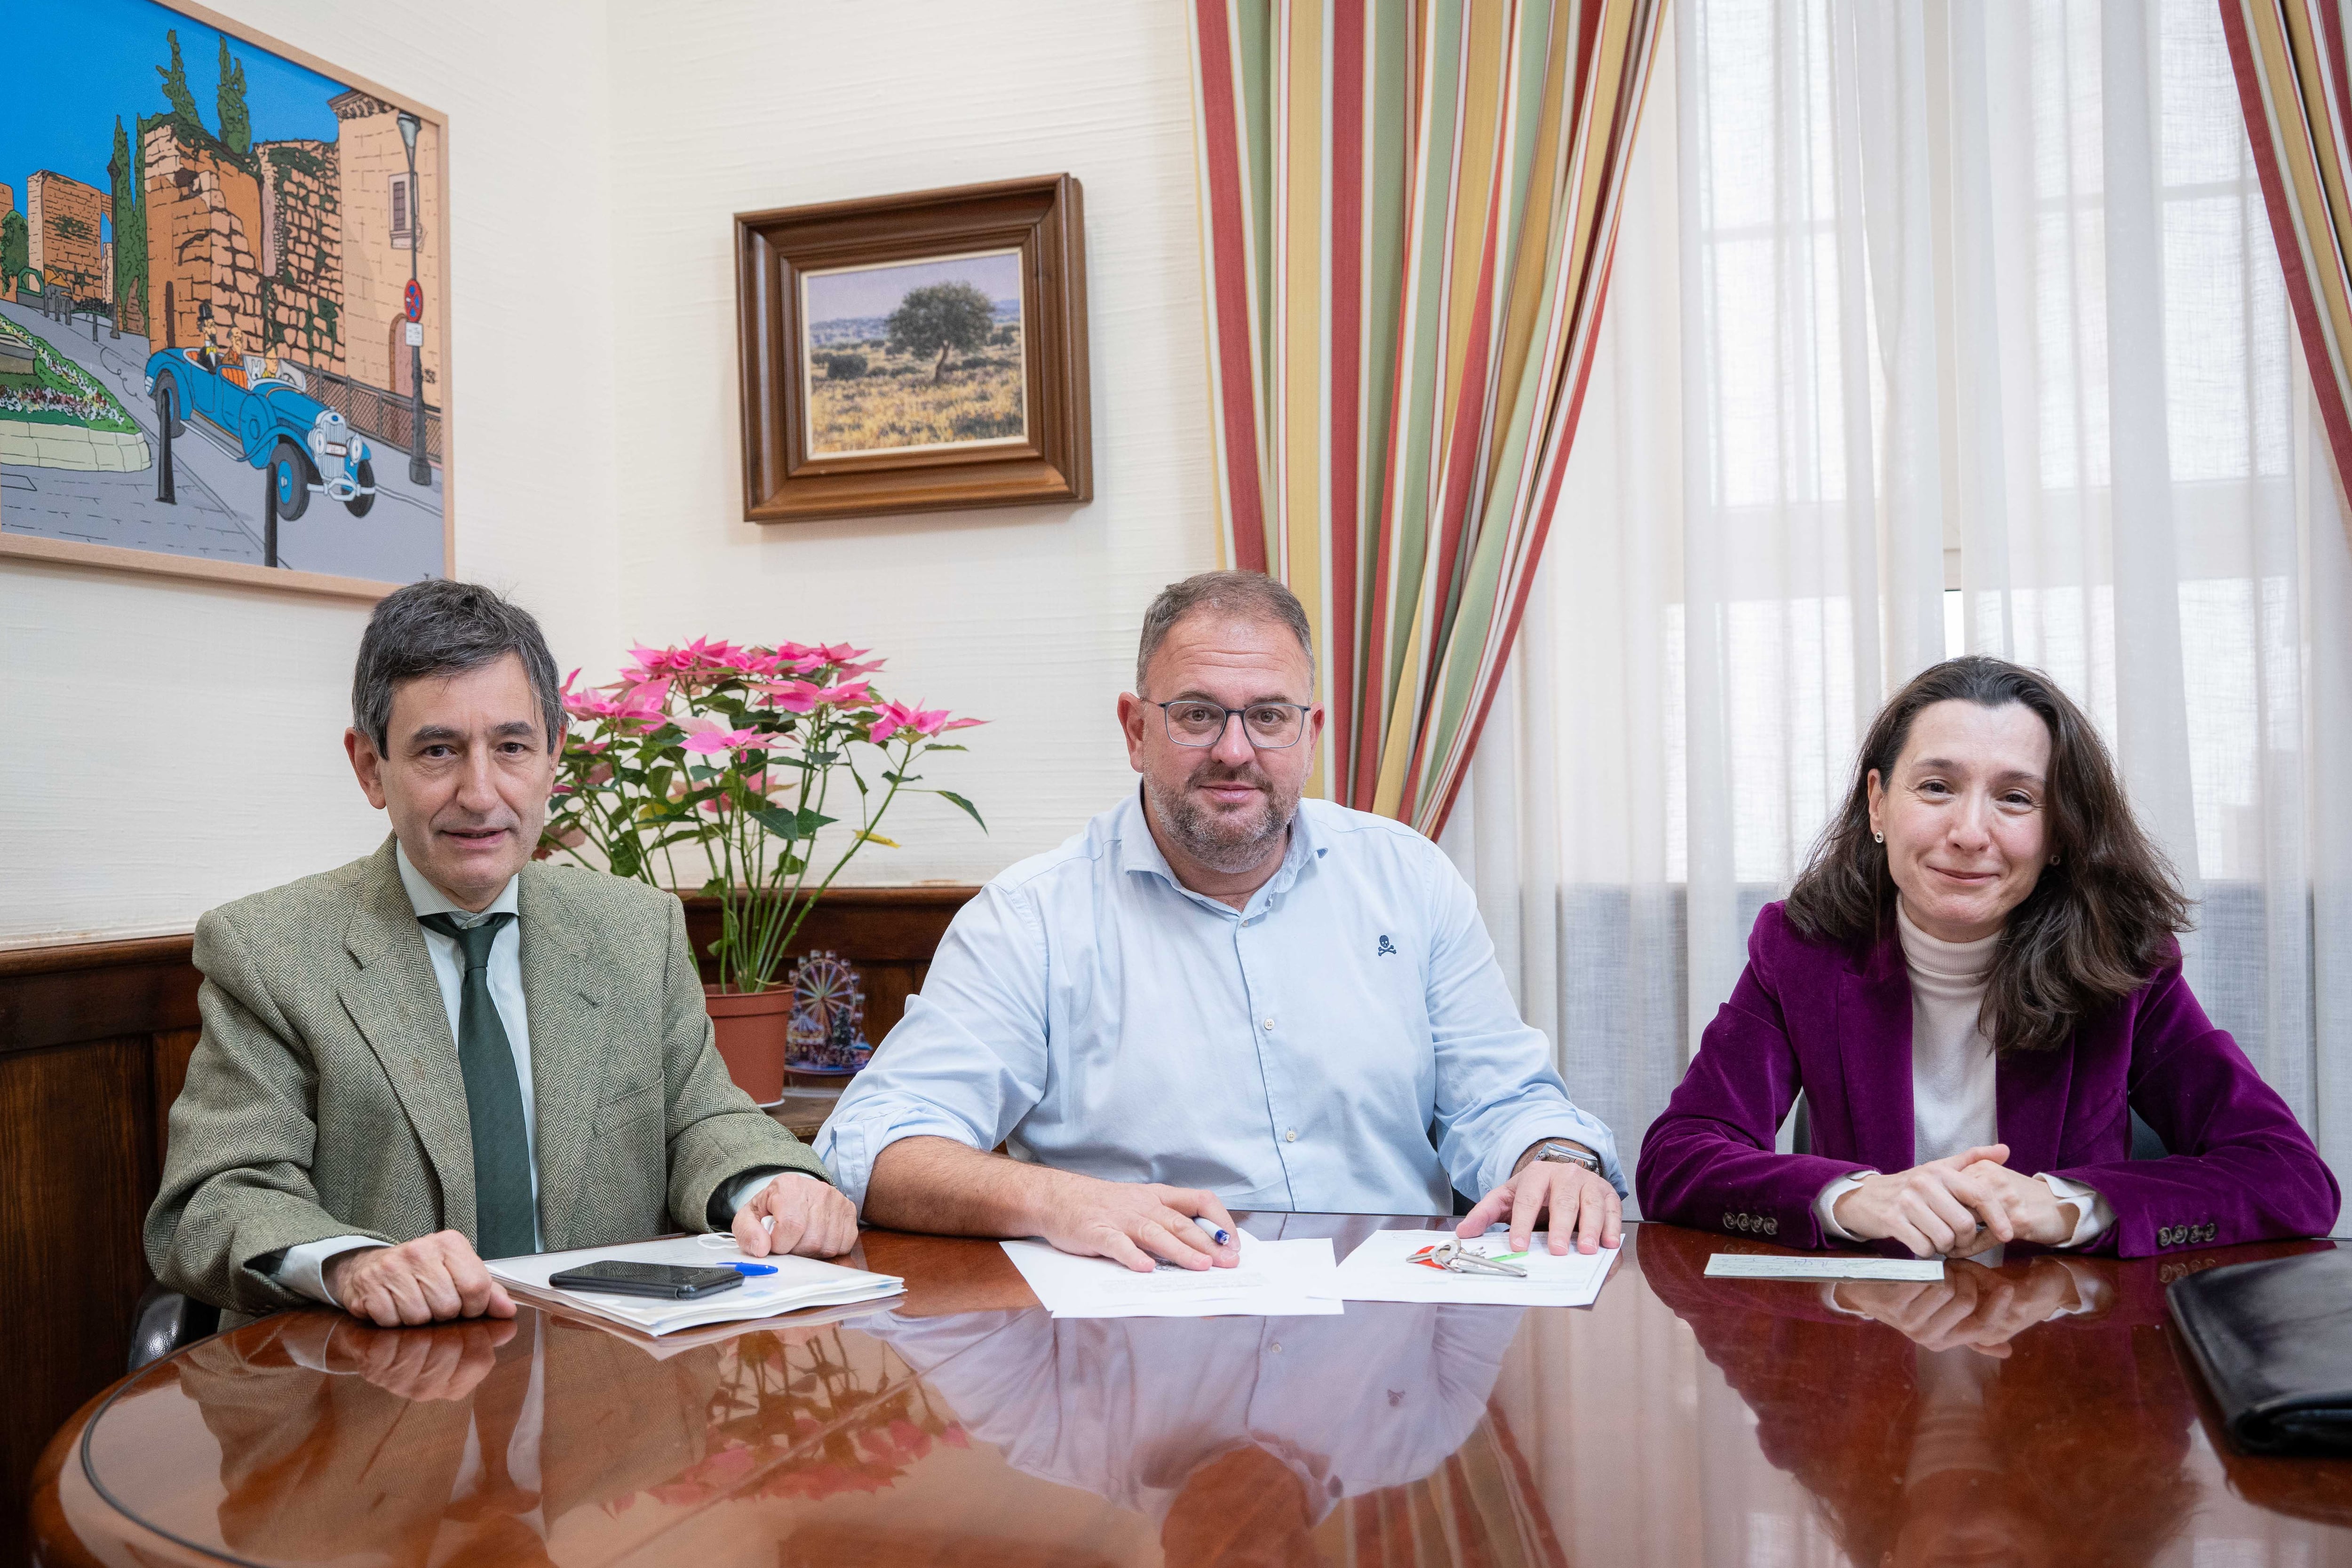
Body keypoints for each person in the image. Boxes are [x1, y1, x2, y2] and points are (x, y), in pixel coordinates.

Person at [817, 570, 1624, 1268]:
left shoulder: (1409, 878)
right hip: (1143, 1344)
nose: (1236, 750)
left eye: (1268, 716)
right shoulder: (1034, 919)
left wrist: (1552, 1156)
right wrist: (1059, 1201)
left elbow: (1503, 1099)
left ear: (1310, 735)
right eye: (1198, 714)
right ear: (1137, 729)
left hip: (1384, 1347)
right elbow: (874, 1145)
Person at [146, 580, 855, 1327]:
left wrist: (772, 1184)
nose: (481, 794)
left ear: (554, 756)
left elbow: (703, 1120)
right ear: (368, 767)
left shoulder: (634, 931)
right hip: (372, 1395)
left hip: (609, 1387)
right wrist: (351, 1263)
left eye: (511, 747)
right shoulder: (271, 951)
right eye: (438, 750)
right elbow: (215, 1195)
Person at [1637, 655, 2339, 1258]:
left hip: (2065, 1356)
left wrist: (2065, 1206)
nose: (1971, 832)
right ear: (1879, 805)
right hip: (1859, 1354)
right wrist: (1852, 1198)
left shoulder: (2126, 965)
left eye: (2015, 797)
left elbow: (2291, 1178)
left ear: (2059, 830)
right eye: (1936, 786)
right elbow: (1679, 1157)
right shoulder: (1801, 951)